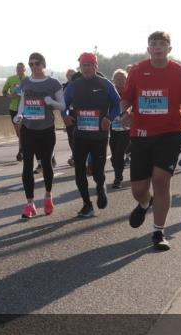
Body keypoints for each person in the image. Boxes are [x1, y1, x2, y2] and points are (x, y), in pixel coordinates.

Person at [119, 31, 181, 251]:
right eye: (153, 44)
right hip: (141, 134)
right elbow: (126, 98)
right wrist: (124, 112)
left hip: (170, 133)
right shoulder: (137, 71)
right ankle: (145, 202)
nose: (157, 47)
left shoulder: (180, 73)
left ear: (169, 49)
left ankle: (158, 232)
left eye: (162, 44)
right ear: (148, 49)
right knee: (138, 189)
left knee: (161, 180)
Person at [63, 53, 120, 217]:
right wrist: (65, 116)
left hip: (99, 137)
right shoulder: (74, 85)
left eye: (90, 65)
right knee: (79, 171)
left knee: (98, 171)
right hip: (80, 135)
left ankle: (100, 188)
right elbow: (63, 105)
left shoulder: (105, 84)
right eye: (84, 65)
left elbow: (118, 104)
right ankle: (87, 204)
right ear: (80, 67)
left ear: (96, 66)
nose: (87, 68)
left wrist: (109, 118)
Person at [14, 52, 64, 219]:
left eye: (36, 63)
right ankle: (30, 204)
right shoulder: (26, 82)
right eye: (31, 64)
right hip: (28, 129)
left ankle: (48, 197)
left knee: (46, 164)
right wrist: (19, 115)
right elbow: (23, 102)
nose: (33, 67)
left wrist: (52, 102)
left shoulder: (53, 83)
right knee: (27, 165)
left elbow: (63, 106)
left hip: (46, 129)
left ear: (43, 64)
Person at [108, 69, 131, 189]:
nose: (120, 81)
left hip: (128, 129)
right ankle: (118, 172)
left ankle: (118, 178)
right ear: (113, 80)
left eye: (123, 79)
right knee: (114, 156)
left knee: (119, 153)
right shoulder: (110, 92)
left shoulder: (130, 92)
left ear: (127, 80)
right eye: (117, 79)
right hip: (114, 128)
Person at [2, 63, 27, 161]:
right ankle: (22, 148)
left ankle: (21, 151)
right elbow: (4, 91)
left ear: (24, 69)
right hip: (13, 108)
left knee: (22, 130)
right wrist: (10, 96)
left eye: (21, 68)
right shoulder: (11, 79)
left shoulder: (28, 79)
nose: (19, 69)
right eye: (17, 68)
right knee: (18, 132)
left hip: (25, 109)